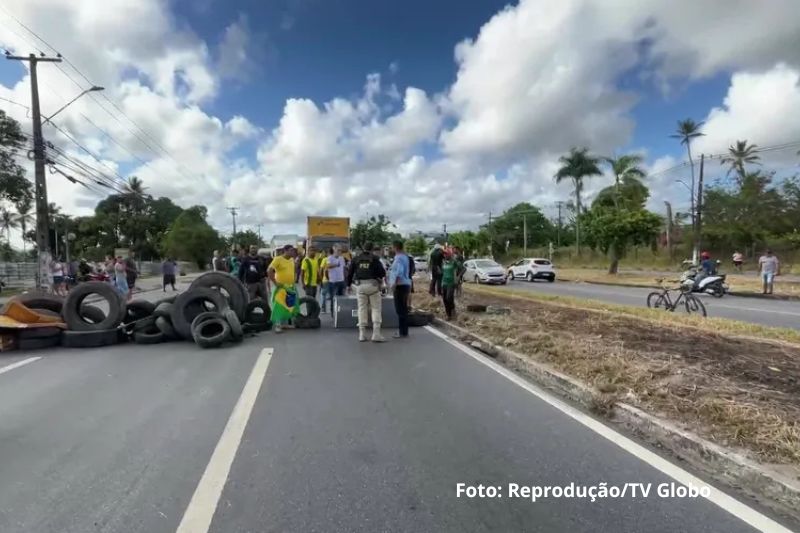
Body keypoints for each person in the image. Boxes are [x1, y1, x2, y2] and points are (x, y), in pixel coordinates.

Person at [348, 243, 387, 342]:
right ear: (372, 249)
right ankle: (376, 334)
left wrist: (348, 285)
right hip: (373, 286)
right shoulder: (375, 259)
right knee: (376, 309)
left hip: (360, 286)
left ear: (363, 248)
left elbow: (350, 273)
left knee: (362, 309)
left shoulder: (356, 259)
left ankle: (362, 334)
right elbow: (382, 273)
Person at [269, 245, 299, 333]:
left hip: (290, 287)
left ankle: (284, 324)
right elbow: (269, 270)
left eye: (293, 251)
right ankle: (277, 325)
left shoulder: (291, 260)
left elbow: (293, 271)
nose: (293, 252)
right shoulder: (278, 259)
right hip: (281, 287)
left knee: (288, 305)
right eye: (291, 250)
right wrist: (275, 282)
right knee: (279, 306)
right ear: (285, 251)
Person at [389, 240, 412, 339]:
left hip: (400, 285)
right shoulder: (405, 257)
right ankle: (404, 331)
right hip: (406, 284)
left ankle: (402, 331)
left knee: (400, 309)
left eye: (392, 247)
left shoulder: (398, 258)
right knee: (403, 308)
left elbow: (399, 271)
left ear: (395, 247)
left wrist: (394, 283)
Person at [440, 250, 459, 320]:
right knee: (445, 299)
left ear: (450, 255)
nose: (445, 255)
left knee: (449, 297)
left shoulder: (454, 262)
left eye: (446, 254)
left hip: (451, 282)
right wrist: (441, 283)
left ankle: (453, 310)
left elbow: (461, 269)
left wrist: (457, 278)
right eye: (444, 254)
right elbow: (443, 273)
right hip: (444, 282)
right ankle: (448, 315)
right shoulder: (443, 263)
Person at [319, 248, 332, 314]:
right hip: (334, 280)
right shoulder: (336, 259)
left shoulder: (325, 259)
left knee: (323, 294)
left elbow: (321, 270)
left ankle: (323, 309)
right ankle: (333, 309)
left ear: (327, 253)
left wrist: (321, 279)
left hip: (325, 280)